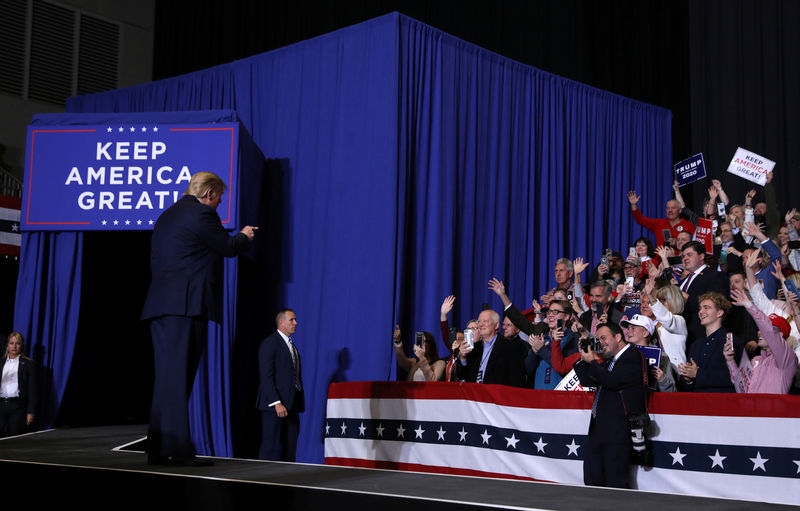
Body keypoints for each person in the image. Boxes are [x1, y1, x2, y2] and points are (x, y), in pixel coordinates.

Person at [141, 171, 257, 465]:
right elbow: (228, 248)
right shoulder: (202, 215)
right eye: (218, 198)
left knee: (166, 380)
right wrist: (244, 236)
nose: (219, 204)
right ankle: (179, 450)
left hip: (160, 308)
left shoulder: (167, 216)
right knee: (179, 380)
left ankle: (156, 447)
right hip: (185, 308)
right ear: (208, 194)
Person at [573, 323, 650, 488]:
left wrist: (593, 361)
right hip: (598, 430)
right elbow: (587, 381)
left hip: (618, 432)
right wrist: (583, 358)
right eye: (597, 339)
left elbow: (611, 381)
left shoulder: (633, 356)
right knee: (592, 481)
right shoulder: (610, 361)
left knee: (615, 484)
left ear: (618, 337)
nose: (600, 343)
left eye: (603, 338)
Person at [725, 289, 796, 394]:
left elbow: (768, 330)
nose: (759, 332)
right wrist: (730, 361)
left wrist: (750, 306)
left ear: (780, 335)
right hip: (750, 410)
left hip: (772, 410)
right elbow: (742, 387)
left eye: (763, 330)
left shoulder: (787, 359)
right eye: (759, 329)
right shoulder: (756, 360)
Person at [257, 309, 305, 461]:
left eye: (295, 319)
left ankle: (287, 479)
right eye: (292, 320)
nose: (295, 323)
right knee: (270, 447)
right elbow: (266, 377)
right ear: (281, 322)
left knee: (290, 447)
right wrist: (276, 402)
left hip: (292, 404)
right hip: (274, 405)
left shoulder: (292, 346)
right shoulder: (270, 343)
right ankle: (261, 480)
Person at [678, 292, 737, 393]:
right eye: (700, 308)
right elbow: (687, 386)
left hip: (722, 404)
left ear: (719, 313)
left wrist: (697, 373)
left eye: (706, 307)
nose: (701, 312)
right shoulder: (695, 345)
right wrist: (688, 379)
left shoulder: (731, 341)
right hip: (697, 404)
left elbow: (734, 378)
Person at [455, 309, 528, 387]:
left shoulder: (510, 347)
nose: (481, 324)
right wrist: (463, 358)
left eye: (485, 321)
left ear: (496, 325)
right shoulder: (473, 348)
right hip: (474, 396)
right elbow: (461, 376)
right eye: (479, 321)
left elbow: (516, 380)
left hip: (497, 396)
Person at [678, 241, 729, 348]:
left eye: (689, 255)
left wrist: (687, 297)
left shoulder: (715, 276)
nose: (685, 258)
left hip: (700, 336)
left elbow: (717, 304)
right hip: (681, 337)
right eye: (683, 256)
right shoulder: (683, 281)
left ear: (701, 256)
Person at [0, 332, 37, 436]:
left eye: (18, 343)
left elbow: (32, 391)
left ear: (22, 345)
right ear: (7, 345)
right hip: (1, 405)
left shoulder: (29, 364)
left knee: (14, 438)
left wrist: (31, 411)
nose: (14, 346)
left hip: (17, 407)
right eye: (11, 343)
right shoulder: (1, 363)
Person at [627, 189, 695, 247]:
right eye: (668, 208)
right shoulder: (659, 223)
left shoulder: (688, 225)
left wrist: (677, 243)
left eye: (673, 208)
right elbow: (641, 219)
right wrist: (634, 205)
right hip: (660, 260)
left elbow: (694, 245)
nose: (670, 210)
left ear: (680, 210)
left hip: (680, 260)